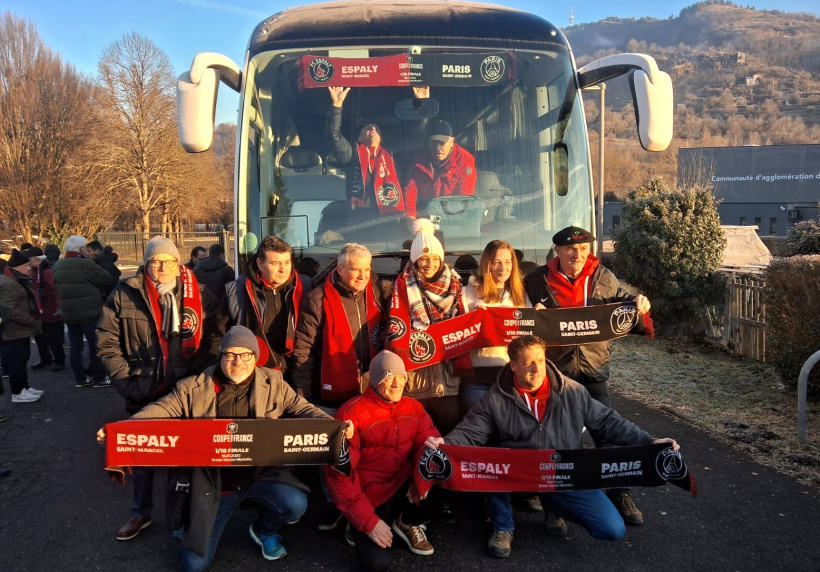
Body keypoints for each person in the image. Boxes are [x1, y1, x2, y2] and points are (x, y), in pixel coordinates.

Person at [97, 326, 353, 571]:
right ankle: (193, 521)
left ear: (255, 358)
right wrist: (121, 430)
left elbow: (302, 408)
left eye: (245, 355)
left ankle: (263, 530)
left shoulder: (273, 382)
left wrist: (334, 426)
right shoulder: (192, 387)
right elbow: (159, 411)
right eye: (230, 354)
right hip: (215, 483)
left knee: (295, 503)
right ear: (220, 357)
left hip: (259, 476)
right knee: (193, 565)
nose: (237, 362)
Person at [424, 335, 679, 558]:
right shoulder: (495, 398)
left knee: (612, 530)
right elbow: (470, 431)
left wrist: (650, 441)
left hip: (562, 472)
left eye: (541, 360)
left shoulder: (573, 391)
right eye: (528, 363)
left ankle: (554, 506)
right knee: (490, 461)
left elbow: (609, 421)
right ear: (512, 365)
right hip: (516, 474)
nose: (538, 368)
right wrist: (445, 444)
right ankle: (503, 526)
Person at [96, 236, 226, 542]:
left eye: (169, 261)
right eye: (156, 261)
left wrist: (198, 374)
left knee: (185, 455)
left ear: (178, 263)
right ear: (147, 264)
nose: (163, 267)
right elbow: (106, 342)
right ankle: (140, 512)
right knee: (142, 453)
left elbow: (214, 336)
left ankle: (182, 514)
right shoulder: (124, 294)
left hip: (186, 386)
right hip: (143, 384)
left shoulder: (200, 294)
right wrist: (126, 383)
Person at [524, 226, 652, 526]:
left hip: (594, 369)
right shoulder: (536, 280)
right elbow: (521, 316)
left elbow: (624, 312)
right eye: (570, 249)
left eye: (583, 249)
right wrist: (533, 313)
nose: (577, 255)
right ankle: (555, 503)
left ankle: (619, 491)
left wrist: (639, 307)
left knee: (606, 434)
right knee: (558, 440)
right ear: (557, 250)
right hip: (556, 373)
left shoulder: (604, 277)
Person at [325, 350, 441, 570]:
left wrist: (421, 480)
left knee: (441, 469)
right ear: (374, 382)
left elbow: (425, 443)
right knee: (378, 565)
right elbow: (340, 478)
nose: (397, 384)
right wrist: (369, 523)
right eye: (388, 378)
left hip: (401, 486)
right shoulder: (351, 414)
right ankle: (355, 521)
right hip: (369, 495)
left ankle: (406, 520)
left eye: (401, 377)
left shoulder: (413, 408)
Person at [387, 218, 463, 524]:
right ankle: (413, 499)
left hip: (447, 377)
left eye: (434, 257)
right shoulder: (401, 286)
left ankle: (443, 495)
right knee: (414, 440)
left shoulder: (457, 286)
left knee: (445, 438)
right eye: (423, 258)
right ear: (414, 260)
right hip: (416, 376)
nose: (428, 263)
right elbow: (396, 328)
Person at [291, 243, 390, 407]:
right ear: (339, 269)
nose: (363, 276)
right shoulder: (317, 299)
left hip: (373, 393)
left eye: (367, 269)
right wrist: (304, 400)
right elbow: (303, 352)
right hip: (331, 398)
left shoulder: (379, 294)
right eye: (355, 270)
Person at [460, 240, 531, 410]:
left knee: (510, 430)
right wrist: (471, 318)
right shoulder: (467, 292)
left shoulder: (521, 294)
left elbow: (530, 334)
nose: (503, 268)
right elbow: (458, 336)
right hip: (478, 377)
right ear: (487, 264)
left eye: (507, 262)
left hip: (513, 375)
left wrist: (537, 315)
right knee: (478, 430)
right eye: (496, 262)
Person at [224, 236, 310, 373]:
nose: (283, 269)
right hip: (254, 370)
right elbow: (218, 335)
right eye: (276, 263)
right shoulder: (236, 292)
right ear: (260, 264)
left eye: (287, 262)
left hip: (297, 369)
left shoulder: (305, 287)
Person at [327, 86, 406, 218]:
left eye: (377, 129)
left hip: (390, 217)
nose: (373, 129)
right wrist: (337, 106)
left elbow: (418, 138)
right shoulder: (353, 154)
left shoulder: (392, 154)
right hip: (358, 217)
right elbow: (334, 136)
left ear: (382, 139)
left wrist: (422, 106)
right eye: (369, 128)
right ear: (359, 138)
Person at [52, 235, 112, 388]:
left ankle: (80, 378)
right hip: (89, 311)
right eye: (85, 247)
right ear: (81, 249)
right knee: (95, 344)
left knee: (75, 346)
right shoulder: (86, 264)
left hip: (69, 312)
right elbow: (106, 279)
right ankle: (99, 377)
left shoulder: (59, 265)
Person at [403, 120, 477, 218]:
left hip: (454, 215)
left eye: (442, 143)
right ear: (428, 143)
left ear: (451, 142)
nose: (438, 148)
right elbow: (410, 190)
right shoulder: (418, 161)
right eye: (434, 143)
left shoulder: (465, 160)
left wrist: (448, 218)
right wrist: (410, 217)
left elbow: (463, 197)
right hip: (425, 215)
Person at [0, 249, 44, 403]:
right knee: (17, 361)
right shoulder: (8, 283)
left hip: (21, 328)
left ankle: (24, 387)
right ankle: (17, 392)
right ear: (16, 267)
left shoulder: (18, 279)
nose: (29, 268)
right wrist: (30, 320)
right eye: (26, 266)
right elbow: (10, 309)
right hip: (15, 328)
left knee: (23, 358)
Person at [27, 247, 65, 372]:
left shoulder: (47, 272)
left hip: (50, 308)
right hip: (39, 309)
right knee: (39, 336)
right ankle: (46, 358)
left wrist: (59, 307)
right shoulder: (33, 271)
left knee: (53, 337)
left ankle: (59, 360)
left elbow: (55, 291)